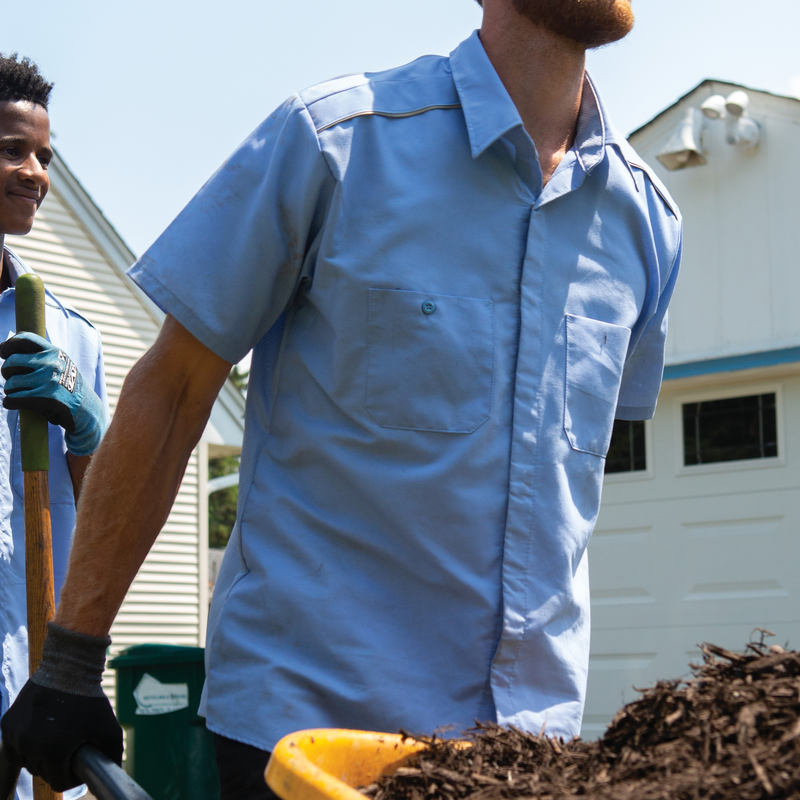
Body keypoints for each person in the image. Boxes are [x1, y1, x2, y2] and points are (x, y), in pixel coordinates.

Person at [2, 1, 682, 797]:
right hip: (304, 742)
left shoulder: (644, 220)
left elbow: (572, 490)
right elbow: (176, 391)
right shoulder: (335, 142)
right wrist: (75, 657)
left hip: (526, 754)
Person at [0, 54, 109, 800]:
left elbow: (104, 507)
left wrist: (89, 426)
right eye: (13, 150)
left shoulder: (67, 335)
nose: (36, 172)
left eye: (44, 156)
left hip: (27, 674)